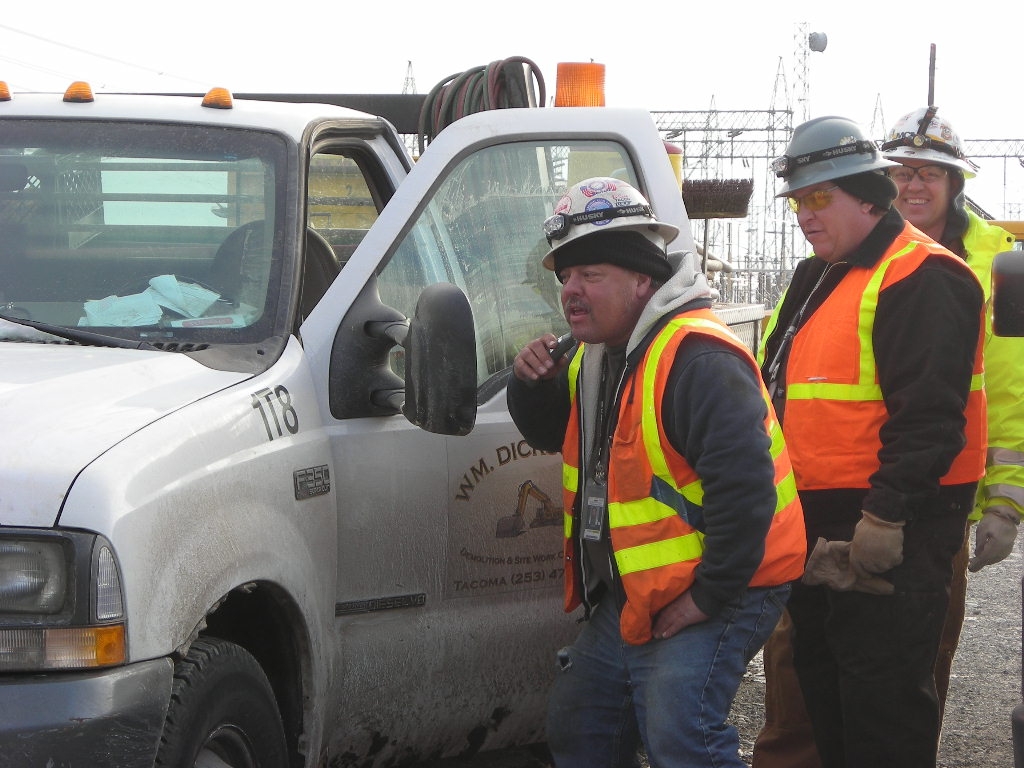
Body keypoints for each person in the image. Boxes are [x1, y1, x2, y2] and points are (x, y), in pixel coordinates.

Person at [507, 176, 806, 768]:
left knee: (683, 735)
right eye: (565, 277)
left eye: (591, 275)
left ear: (643, 278)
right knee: (583, 725)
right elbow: (554, 432)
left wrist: (708, 596)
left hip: (722, 582)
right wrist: (529, 384)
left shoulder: (699, 359)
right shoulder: (596, 352)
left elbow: (746, 496)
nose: (571, 291)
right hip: (644, 589)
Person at [756, 115, 986, 768]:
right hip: (819, 531)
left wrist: (884, 518)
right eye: (799, 201)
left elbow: (931, 418)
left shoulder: (922, 276)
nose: (805, 213)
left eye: (819, 197)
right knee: (828, 697)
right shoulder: (819, 277)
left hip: (892, 530)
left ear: (870, 196)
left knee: (883, 709)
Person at [881, 106, 1023, 714]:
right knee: (811, 666)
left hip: (943, 495)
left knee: (922, 656)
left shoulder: (1004, 263)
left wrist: (1006, 500)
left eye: (930, 173)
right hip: (847, 490)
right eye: (902, 172)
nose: (914, 185)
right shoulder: (852, 247)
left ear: (955, 183)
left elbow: (1012, 385)